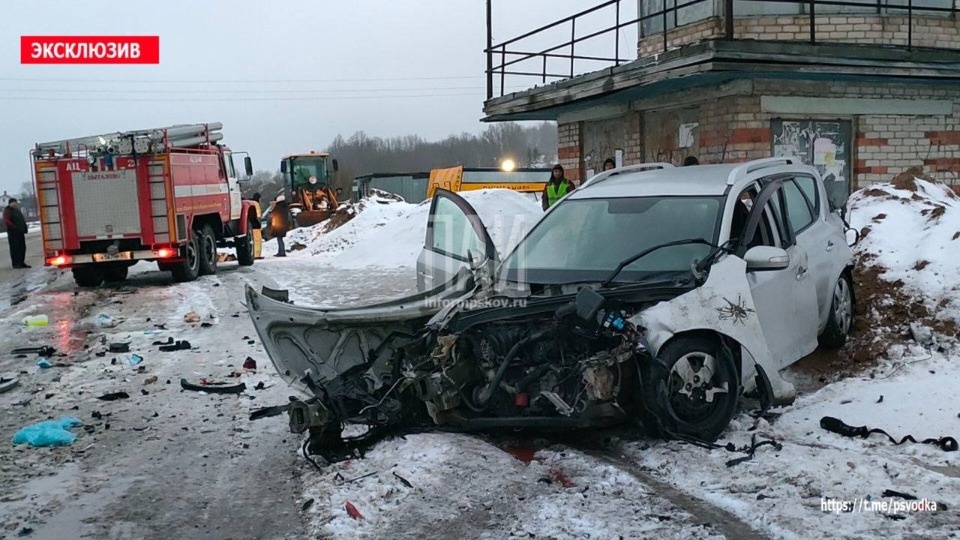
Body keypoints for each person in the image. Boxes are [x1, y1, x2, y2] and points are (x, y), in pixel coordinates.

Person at [2, 198, 29, 269]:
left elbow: (21, 219)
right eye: (12, 203)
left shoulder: (17, 210)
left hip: (20, 232)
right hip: (13, 232)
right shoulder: (7, 211)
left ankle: (21, 263)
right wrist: (13, 226)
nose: (14, 204)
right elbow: (6, 220)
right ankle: (16, 264)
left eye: (15, 203)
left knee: (22, 247)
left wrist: (24, 227)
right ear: (9, 204)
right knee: (15, 248)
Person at [250, 193, 264, 259]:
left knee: (255, 241)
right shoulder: (256, 204)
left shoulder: (251, 203)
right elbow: (258, 216)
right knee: (257, 241)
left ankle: (255, 254)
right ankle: (256, 255)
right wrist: (259, 224)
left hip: (252, 225)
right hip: (255, 226)